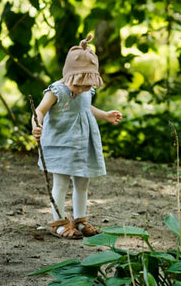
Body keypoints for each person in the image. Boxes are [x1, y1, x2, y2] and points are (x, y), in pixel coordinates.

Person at [32, 34, 122, 240]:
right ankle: (58, 222)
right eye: (78, 86)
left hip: (83, 145)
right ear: (68, 76)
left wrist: (104, 115)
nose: (82, 90)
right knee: (61, 182)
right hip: (62, 144)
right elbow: (40, 110)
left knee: (83, 181)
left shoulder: (84, 90)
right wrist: (36, 124)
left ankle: (79, 220)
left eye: (87, 86)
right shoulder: (57, 91)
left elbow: (86, 108)